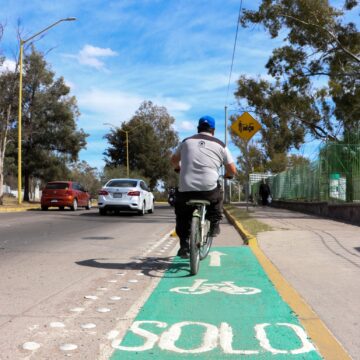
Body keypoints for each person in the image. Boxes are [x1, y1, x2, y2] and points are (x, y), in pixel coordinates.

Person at [170, 115, 236, 258]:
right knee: (218, 196)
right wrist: (228, 176)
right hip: (208, 190)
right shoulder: (220, 145)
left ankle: (183, 246)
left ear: (198, 128)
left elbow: (174, 160)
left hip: (186, 189)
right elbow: (232, 170)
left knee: (182, 213)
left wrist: (178, 168)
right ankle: (214, 223)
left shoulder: (186, 142)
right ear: (213, 130)